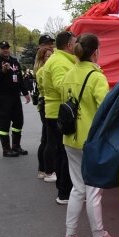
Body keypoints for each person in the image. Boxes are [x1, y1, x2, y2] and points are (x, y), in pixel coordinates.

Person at [60, 33, 119, 237]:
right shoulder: (96, 77)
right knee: (94, 190)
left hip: (70, 139)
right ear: (96, 52)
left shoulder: (68, 74)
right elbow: (105, 110)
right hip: (91, 142)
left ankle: (70, 236)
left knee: (77, 188)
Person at [43, 32, 78, 204]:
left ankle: (64, 190)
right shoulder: (59, 62)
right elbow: (61, 85)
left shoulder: (61, 60)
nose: (77, 45)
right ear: (69, 45)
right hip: (59, 112)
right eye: (75, 42)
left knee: (62, 153)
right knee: (64, 154)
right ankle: (64, 192)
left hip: (56, 111)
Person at [0, 41, 30, 155]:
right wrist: (2, 71)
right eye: (3, 48)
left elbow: (20, 78)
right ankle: (6, 149)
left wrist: (25, 93)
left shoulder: (14, 61)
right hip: (3, 97)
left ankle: (16, 146)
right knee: (4, 123)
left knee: (18, 121)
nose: (6, 50)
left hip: (15, 96)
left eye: (7, 48)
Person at [34, 46, 53, 179]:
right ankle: (48, 170)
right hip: (46, 103)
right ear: (42, 58)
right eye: (48, 56)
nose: (51, 58)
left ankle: (42, 169)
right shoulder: (43, 71)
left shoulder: (42, 70)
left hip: (44, 103)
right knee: (49, 139)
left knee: (46, 138)